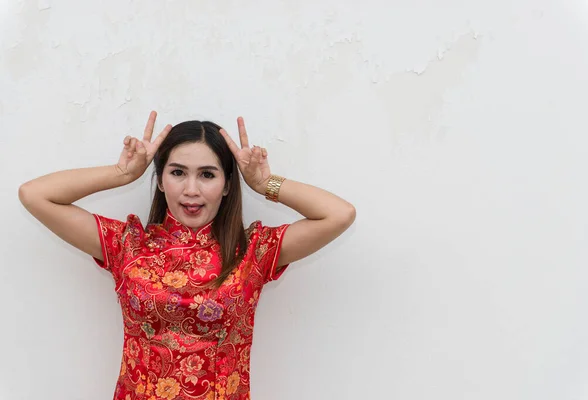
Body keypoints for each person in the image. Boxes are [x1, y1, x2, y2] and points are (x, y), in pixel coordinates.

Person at [18, 111, 356, 400]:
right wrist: (121, 174)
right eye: (177, 172)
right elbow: (34, 194)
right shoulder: (128, 245)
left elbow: (339, 214)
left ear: (226, 185)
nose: (191, 190)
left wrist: (265, 181)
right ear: (161, 180)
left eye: (207, 175)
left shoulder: (253, 251)